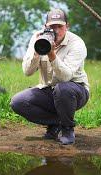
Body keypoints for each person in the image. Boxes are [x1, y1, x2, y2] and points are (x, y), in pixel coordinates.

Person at [10, 8, 90, 145]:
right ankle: (56, 123)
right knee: (18, 102)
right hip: (48, 90)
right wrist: (37, 52)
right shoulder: (37, 38)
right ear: (45, 27)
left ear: (67, 26)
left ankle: (67, 129)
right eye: (52, 26)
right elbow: (27, 72)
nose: (56, 30)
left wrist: (51, 54)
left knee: (62, 88)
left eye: (60, 26)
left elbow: (66, 77)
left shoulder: (77, 43)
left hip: (75, 91)